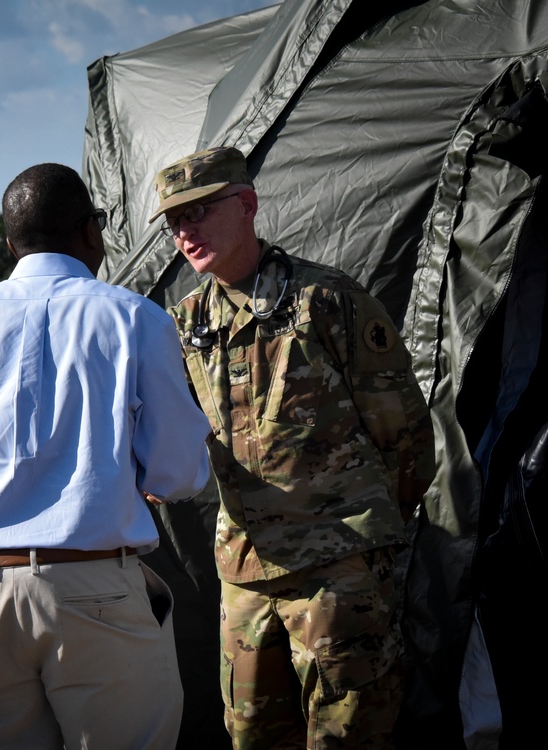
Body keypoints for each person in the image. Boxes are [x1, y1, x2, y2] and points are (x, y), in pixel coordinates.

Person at [0, 162, 213, 749]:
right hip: (96, 592)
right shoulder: (133, 316)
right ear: (92, 231)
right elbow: (179, 470)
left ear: (10, 245)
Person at [149, 145, 435, 749]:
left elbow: (402, 432)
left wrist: (364, 537)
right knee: (253, 736)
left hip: (338, 571)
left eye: (200, 211)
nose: (185, 231)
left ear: (247, 205)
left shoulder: (325, 301)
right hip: (245, 579)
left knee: (346, 737)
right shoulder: (185, 325)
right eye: (175, 221)